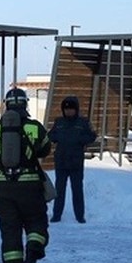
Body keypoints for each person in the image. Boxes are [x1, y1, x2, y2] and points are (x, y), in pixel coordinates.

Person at [0, 88, 51, 263]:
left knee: (10, 229)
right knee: (36, 223)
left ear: (7, 104)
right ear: (25, 104)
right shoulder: (34, 128)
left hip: (2, 187)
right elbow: (45, 148)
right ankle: (31, 258)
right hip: (29, 186)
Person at [48, 95, 97, 223]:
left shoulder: (83, 123)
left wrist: (80, 140)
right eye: (66, 109)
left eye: (71, 109)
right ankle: (56, 215)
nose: (68, 111)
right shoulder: (59, 122)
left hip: (76, 162)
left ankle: (80, 216)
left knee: (77, 190)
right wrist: (55, 137)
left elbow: (92, 136)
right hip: (61, 161)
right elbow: (51, 135)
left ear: (76, 110)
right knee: (59, 190)